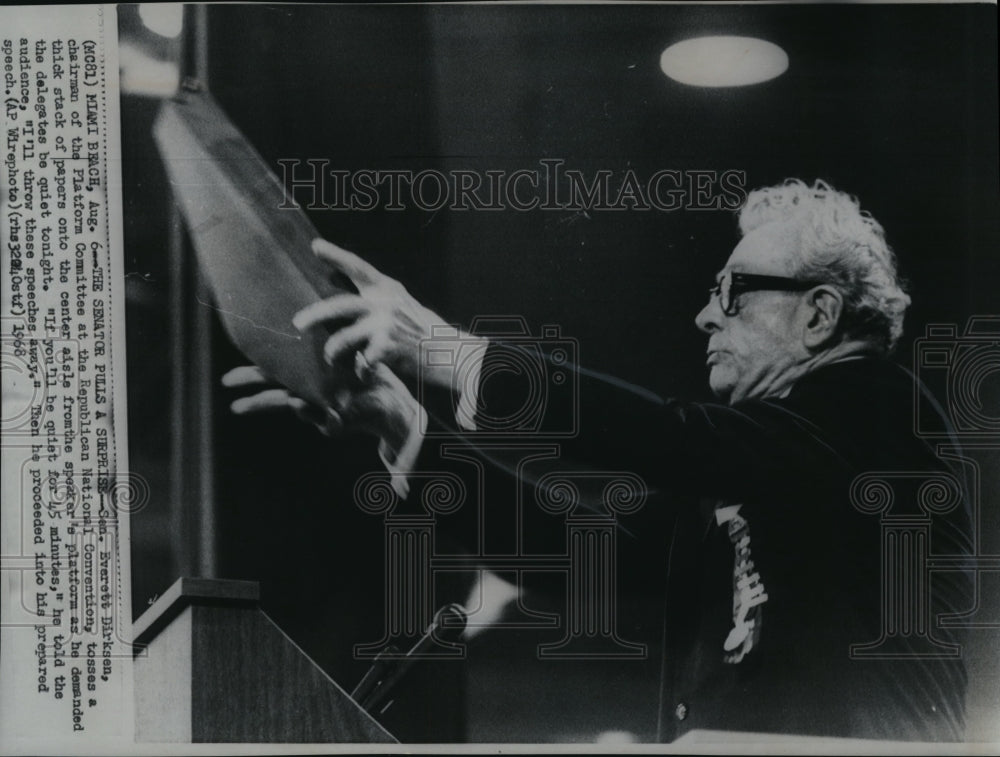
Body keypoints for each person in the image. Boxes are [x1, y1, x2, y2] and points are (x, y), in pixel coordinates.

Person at [225, 178, 974, 742]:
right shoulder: (766, 466)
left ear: (818, 314)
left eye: (732, 290)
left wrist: (443, 350)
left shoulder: (877, 413)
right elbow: (573, 553)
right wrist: (404, 428)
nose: (706, 313)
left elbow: (673, 436)